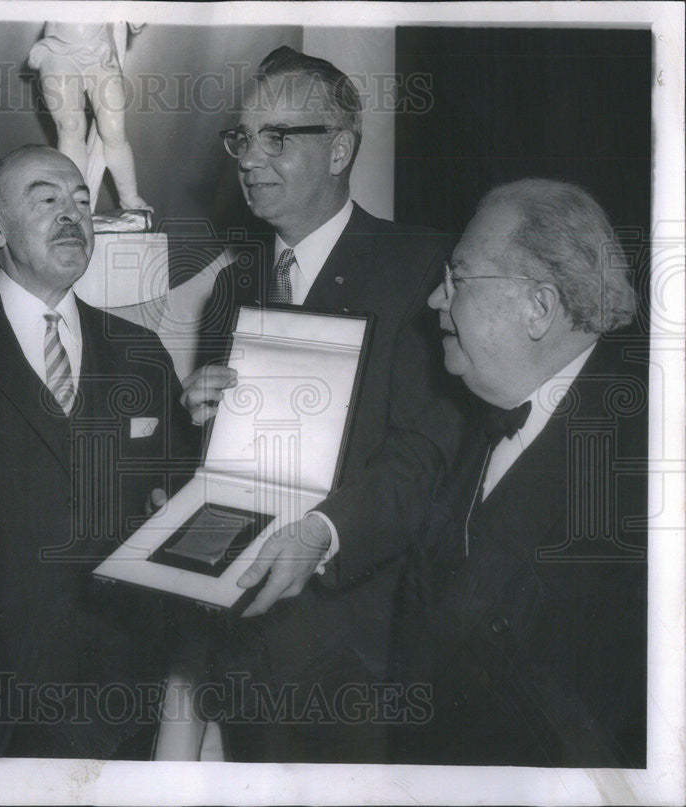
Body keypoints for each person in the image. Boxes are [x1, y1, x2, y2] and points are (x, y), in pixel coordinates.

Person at [178, 46, 464, 762]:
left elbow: (424, 456)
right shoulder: (234, 284)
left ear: (340, 151)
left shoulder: (423, 267)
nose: (248, 158)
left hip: (359, 650)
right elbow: (226, 465)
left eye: (278, 137)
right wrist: (200, 413)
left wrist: (323, 534)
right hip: (245, 640)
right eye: (243, 138)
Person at [0, 145, 199, 759]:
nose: (72, 215)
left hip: (125, 702)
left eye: (81, 202)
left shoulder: (142, 352)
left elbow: (182, 501)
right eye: (46, 199)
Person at [387, 178, 647, 766]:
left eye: (459, 277)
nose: (435, 299)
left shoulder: (642, 472)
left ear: (539, 306)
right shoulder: (476, 416)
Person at [29, 22, 150, 210]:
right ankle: (75, 201)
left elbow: (136, 18)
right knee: (70, 126)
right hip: (57, 50)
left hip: (101, 50)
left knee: (113, 129)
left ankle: (129, 197)